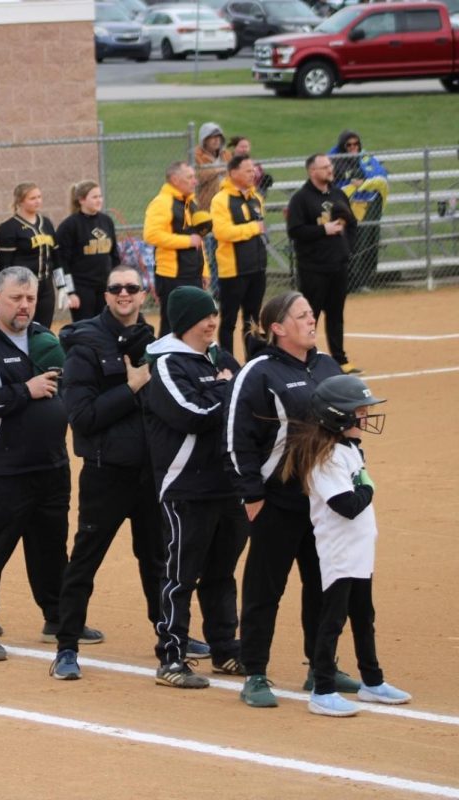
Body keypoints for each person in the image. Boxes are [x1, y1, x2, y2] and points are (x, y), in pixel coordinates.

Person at [226, 291, 358, 709]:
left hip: (324, 501)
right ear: (278, 328)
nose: (310, 320)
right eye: (301, 315)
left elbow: (349, 428)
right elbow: (236, 438)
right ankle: (255, 673)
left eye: (310, 314)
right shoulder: (259, 372)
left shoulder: (326, 366)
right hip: (276, 500)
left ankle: (320, 668)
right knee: (266, 588)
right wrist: (251, 495)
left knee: (323, 585)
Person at [49, 265, 169, 681]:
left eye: (132, 288)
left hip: (151, 473)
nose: (124, 294)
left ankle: (169, 637)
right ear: (106, 294)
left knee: (157, 559)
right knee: (85, 560)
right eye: (116, 288)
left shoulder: (153, 343)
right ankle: (66, 647)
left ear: (142, 294)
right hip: (105, 472)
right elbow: (82, 417)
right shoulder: (85, 346)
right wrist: (131, 387)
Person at [0, 266, 71, 662]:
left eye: (30, 298)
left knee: (52, 548)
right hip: (3, 467)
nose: (24, 306)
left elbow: (65, 389)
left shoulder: (42, 338)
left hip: (51, 465)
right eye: (16, 298)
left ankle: (58, 618)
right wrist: (26, 390)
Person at [282, 374, 411, 716]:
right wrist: (369, 486)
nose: (366, 418)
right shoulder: (325, 459)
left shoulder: (349, 449)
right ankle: (322, 689)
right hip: (339, 552)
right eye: (360, 412)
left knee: (364, 616)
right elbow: (347, 505)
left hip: (359, 551)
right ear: (338, 417)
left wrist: (364, 481)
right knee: (333, 619)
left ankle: (372, 681)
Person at [140, 286, 247, 689]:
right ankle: (171, 657)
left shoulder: (222, 358)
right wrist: (222, 387)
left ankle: (225, 650)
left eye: (214, 314)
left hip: (227, 484)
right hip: (186, 486)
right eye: (205, 317)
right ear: (185, 322)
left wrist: (221, 386)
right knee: (180, 575)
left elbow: (248, 401)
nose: (212, 322)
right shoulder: (166, 364)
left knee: (222, 573)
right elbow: (192, 413)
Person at [287, 154, 361, 374]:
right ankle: (305, 359)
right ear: (312, 171)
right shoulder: (301, 199)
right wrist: (323, 230)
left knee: (336, 314)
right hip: (313, 268)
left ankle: (340, 359)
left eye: (330, 165)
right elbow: (295, 231)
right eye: (325, 167)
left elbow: (353, 224)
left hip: (337, 265)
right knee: (310, 316)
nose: (330, 169)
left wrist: (348, 247)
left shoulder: (338, 194)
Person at [211, 154, 267, 357]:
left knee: (252, 320)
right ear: (233, 173)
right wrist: (253, 228)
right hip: (233, 271)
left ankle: (253, 361)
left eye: (253, 170)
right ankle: (227, 364)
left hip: (257, 268)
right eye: (247, 170)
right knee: (228, 320)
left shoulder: (256, 198)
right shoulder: (221, 200)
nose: (252, 174)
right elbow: (222, 232)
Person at [144, 162, 207, 336]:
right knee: (171, 326)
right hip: (172, 275)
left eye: (194, 177)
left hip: (193, 273)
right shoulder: (162, 203)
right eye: (189, 177)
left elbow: (198, 239)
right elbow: (151, 235)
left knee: (194, 323)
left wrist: (204, 270)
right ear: (175, 179)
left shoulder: (190, 202)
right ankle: (160, 363)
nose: (194, 181)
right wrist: (186, 241)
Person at [0, 183, 71, 330]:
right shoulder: (9, 227)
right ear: (20, 201)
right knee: (22, 328)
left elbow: (56, 258)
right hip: (23, 287)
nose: (37, 201)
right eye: (32, 198)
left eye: (39, 197)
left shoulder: (46, 223)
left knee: (44, 330)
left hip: (46, 286)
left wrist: (63, 286)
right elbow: (5, 265)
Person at [329, 130, 389, 295]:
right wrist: (351, 181)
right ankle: (345, 283)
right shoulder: (334, 160)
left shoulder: (364, 157)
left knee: (366, 242)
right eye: (349, 145)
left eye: (356, 144)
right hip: (344, 209)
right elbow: (332, 180)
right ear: (343, 145)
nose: (353, 147)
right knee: (347, 244)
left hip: (365, 206)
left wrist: (364, 181)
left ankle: (362, 280)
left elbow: (380, 173)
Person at [55, 181, 120, 323]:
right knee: (85, 328)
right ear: (82, 200)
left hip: (104, 286)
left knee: (107, 325)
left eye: (100, 196)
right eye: (94, 197)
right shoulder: (69, 225)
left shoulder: (106, 221)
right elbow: (61, 262)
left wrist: (118, 283)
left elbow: (114, 255)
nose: (99, 200)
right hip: (81, 288)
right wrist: (69, 292)